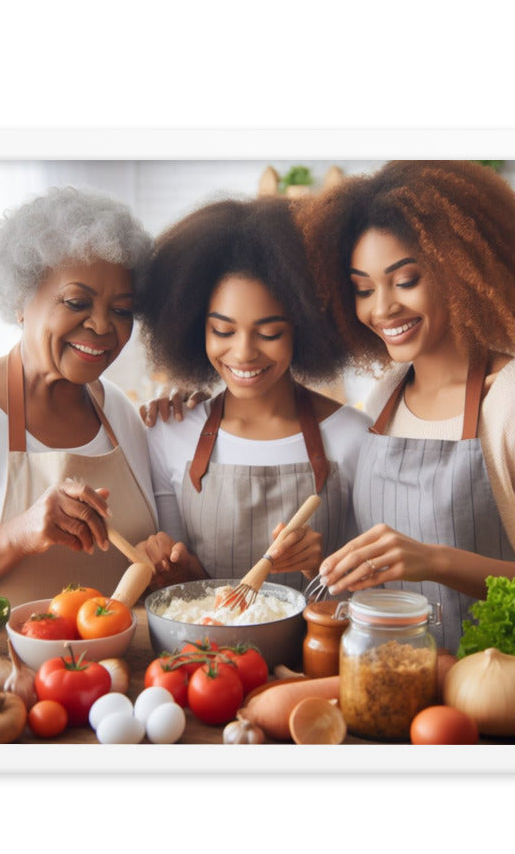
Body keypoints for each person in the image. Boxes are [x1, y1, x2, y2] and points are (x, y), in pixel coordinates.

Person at [300, 161, 515, 653]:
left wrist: (435, 561)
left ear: (463, 270)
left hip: (496, 693)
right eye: (363, 289)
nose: (381, 308)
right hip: (393, 678)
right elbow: (381, 564)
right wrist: (316, 561)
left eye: (405, 279)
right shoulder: (386, 394)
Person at [132, 195, 371, 592]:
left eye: (270, 333)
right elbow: (183, 589)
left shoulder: (355, 436)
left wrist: (319, 567)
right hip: (207, 652)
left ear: (306, 329)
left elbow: (373, 594)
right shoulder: (170, 432)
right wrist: (171, 565)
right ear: (194, 329)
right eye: (223, 331)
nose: (243, 353)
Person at [0, 186, 158, 602]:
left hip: (119, 666)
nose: (103, 326)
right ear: (20, 300)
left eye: (122, 310)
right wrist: (20, 532)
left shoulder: (121, 413)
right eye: (76, 301)